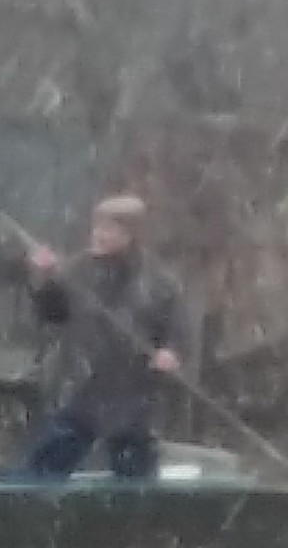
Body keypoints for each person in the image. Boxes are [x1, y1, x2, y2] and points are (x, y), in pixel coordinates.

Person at [22, 195, 187, 480]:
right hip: (81, 390)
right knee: (43, 472)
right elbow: (51, 315)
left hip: (133, 395)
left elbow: (178, 330)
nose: (98, 235)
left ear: (131, 235)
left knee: (134, 483)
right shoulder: (77, 271)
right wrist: (44, 281)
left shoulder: (159, 282)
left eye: (109, 229)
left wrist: (170, 353)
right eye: (97, 227)